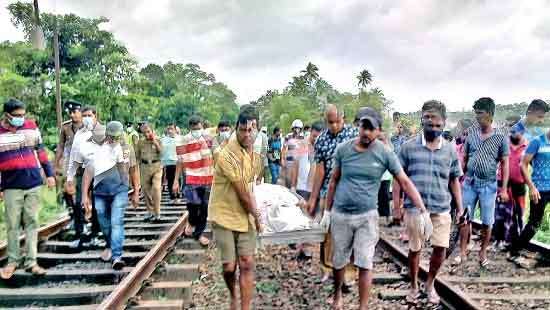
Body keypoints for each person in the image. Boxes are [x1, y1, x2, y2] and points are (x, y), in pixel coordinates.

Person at [325, 107, 427, 309]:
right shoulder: (343, 150)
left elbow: (404, 182)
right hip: (341, 214)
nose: (366, 132)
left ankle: (363, 306)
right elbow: (334, 181)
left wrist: (423, 211)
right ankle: (337, 295)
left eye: (371, 129)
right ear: (358, 126)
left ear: (379, 131)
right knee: (339, 261)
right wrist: (327, 212)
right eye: (363, 126)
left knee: (365, 262)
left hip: (367, 217)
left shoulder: (384, 153)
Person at [395, 100, 463, 305]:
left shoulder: (450, 150)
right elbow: (399, 178)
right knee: (415, 248)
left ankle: (430, 283)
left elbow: (454, 180)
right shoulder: (407, 148)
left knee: (440, 248)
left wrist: (460, 208)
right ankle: (414, 285)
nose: (433, 128)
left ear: (443, 124)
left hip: (442, 207)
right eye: (428, 123)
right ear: (422, 119)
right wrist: (395, 206)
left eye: (437, 125)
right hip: (414, 209)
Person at [208, 108, 263, 310]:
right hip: (223, 213)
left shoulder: (254, 154)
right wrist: (257, 217)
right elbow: (242, 192)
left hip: (244, 213)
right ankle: (233, 295)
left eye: (251, 130)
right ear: (236, 128)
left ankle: (245, 307)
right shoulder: (227, 154)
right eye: (242, 130)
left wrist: (256, 211)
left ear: (257, 129)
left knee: (247, 262)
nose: (247, 134)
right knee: (229, 267)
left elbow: (251, 187)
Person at [0, 99, 54, 279]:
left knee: (32, 221)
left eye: (23, 115)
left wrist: (49, 174)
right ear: (7, 115)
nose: (21, 119)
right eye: (17, 116)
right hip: (11, 186)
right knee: (12, 224)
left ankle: (31, 262)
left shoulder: (31, 127)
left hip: (33, 182)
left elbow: (41, 151)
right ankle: (13, 261)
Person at [306, 104, 358, 286]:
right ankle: (327, 269)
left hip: (350, 192)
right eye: (330, 122)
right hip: (328, 192)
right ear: (325, 121)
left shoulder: (354, 135)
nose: (334, 126)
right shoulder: (321, 140)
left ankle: (349, 273)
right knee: (326, 232)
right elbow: (320, 170)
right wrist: (313, 198)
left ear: (343, 118)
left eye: (337, 121)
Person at [458, 97, 509, 267]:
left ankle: (482, 252)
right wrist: (461, 176)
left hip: (489, 185)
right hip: (469, 183)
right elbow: (464, 157)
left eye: (480, 113)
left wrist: (503, 189)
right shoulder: (471, 135)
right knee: (465, 218)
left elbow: (504, 163)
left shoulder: (500, 137)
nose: (477, 117)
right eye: (476, 113)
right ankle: (462, 251)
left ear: (490, 114)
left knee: (487, 222)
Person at [82, 121, 139, 270]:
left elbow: (133, 170)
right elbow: (88, 172)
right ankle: (110, 244)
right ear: (107, 134)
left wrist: (136, 192)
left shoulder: (127, 149)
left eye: (117, 137)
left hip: (120, 190)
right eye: (112, 137)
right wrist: (85, 195)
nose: (114, 140)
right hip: (100, 191)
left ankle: (116, 256)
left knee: (116, 221)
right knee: (103, 221)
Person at [508, 125, 550, 268]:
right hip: (539, 189)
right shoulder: (537, 142)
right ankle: (515, 251)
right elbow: (523, 164)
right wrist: (531, 186)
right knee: (535, 222)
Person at [66, 106, 103, 249]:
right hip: (82, 174)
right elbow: (73, 157)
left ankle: (96, 234)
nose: (87, 118)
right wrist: (70, 177)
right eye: (85, 115)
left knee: (98, 205)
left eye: (89, 115)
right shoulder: (79, 135)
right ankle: (80, 235)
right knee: (78, 204)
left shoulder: (103, 132)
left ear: (95, 116)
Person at [174, 115, 214, 246]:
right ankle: (191, 222)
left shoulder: (209, 139)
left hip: (207, 177)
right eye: (194, 128)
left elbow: (216, 156)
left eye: (199, 128)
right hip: (191, 178)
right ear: (190, 128)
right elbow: (180, 161)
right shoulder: (183, 141)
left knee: (204, 207)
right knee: (193, 205)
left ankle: (199, 233)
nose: (197, 130)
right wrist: (175, 180)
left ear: (202, 126)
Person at [292, 120, 324, 260]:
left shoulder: (322, 147)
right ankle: (302, 246)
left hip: (314, 187)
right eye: (314, 136)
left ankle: (306, 248)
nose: (316, 139)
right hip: (301, 186)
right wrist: (292, 185)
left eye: (318, 137)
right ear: (311, 132)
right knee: (302, 217)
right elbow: (295, 166)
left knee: (311, 218)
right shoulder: (303, 145)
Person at [494, 120, 528, 250]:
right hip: (503, 183)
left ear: (523, 131)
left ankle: (515, 241)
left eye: (516, 131)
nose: (513, 134)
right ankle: (499, 240)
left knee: (519, 213)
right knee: (501, 213)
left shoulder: (527, 146)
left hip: (519, 184)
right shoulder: (503, 143)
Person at [55, 100, 83, 210]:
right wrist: (56, 164)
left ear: (81, 112)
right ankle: (74, 214)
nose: (72, 115)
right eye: (70, 112)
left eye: (75, 112)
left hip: (86, 164)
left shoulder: (89, 126)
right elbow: (60, 146)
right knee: (68, 189)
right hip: (71, 163)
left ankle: (87, 215)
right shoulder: (65, 127)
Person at [135, 123, 163, 222]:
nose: (147, 134)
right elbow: (137, 156)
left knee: (156, 188)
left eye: (148, 132)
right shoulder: (140, 142)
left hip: (157, 167)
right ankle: (150, 211)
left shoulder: (158, 140)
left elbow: (162, 152)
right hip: (144, 167)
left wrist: (154, 142)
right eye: (144, 133)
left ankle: (157, 212)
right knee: (146, 190)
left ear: (152, 131)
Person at [281, 120, 306, 188]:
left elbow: (305, 150)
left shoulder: (303, 137)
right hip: (289, 160)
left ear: (300, 129)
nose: (296, 130)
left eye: (298, 128)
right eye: (295, 128)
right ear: (293, 128)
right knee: (288, 179)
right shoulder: (288, 136)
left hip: (299, 161)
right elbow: (284, 148)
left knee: (297, 179)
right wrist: (282, 159)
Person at [161, 123, 179, 201]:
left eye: (171, 129)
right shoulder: (164, 140)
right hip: (168, 163)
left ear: (175, 129)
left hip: (178, 162)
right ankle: (172, 196)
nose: (170, 131)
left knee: (178, 179)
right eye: (168, 129)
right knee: (170, 179)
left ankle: (177, 195)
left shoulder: (180, 139)